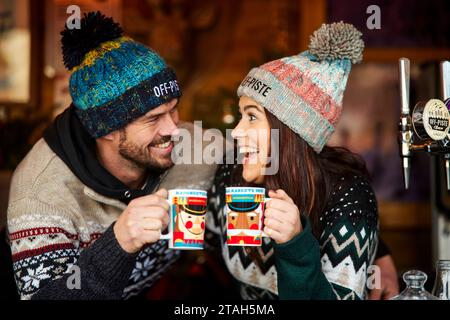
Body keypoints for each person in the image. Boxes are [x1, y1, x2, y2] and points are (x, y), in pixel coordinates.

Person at [7, 12, 216, 300]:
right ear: (105, 129)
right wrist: (119, 243)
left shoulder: (196, 147)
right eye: (153, 118)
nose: (174, 129)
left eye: (173, 108)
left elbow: (258, 151)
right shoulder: (41, 194)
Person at [207, 22, 383, 299]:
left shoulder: (348, 195)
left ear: (289, 132)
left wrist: (295, 246)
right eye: (241, 116)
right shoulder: (232, 174)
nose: (237, 132)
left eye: (252, 116)